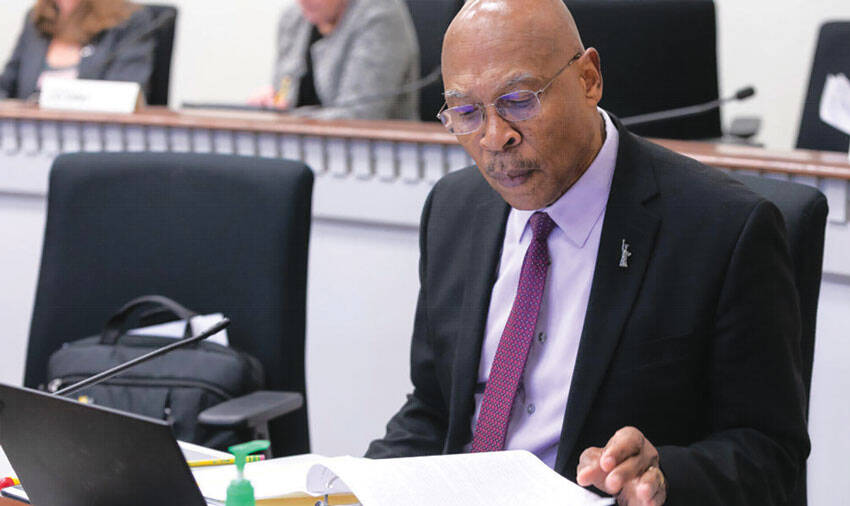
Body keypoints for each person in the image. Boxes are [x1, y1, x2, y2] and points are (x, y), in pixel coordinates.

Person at [365, 1, 809, 505]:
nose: (494, 137)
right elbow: (433, 410)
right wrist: (353, 486)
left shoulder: (722, 230)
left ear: (589, 78)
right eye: (466, 113)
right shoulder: (453, 209)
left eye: (518, 100)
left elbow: (770, 451)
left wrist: (664, 474)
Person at [250, 0, 420, 120]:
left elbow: (359, 115)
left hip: (374, 154)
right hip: (301, 148)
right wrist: (271, 105)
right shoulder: (293, 17)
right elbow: (284, 94)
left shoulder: (380, 16)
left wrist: (288, 119)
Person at [0, 0, 155, 101]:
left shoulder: (129, 21)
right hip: (30, 134)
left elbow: (124, 94)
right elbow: (7, 85)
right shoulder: (36, 19)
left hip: (94, 136)